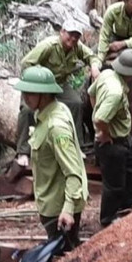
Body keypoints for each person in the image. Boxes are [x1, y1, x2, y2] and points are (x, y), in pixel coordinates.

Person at [12, 66, 89, 250]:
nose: (24, 96)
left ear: (45, 94)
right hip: (50, 200)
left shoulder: (56, 127)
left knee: (66, 255)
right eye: (24, 92)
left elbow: (73, 172)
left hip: (59, 207)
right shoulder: (48, 111)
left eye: (30, 93)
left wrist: (68, 209)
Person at [14, 20, 103, 168]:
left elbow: (92, 56)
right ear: (62, 32)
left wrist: (94, 66)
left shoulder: (77, 47)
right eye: (70, 34)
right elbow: (26, 63)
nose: (73, 39)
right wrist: (37, 79)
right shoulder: (49, 46)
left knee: (76, 104)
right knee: (27, 110)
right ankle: (23, 151)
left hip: (59, 84)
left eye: (76, 36)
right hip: (39, 84)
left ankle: (76, 146)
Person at [88, 48, 132, 227]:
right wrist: (105, 133)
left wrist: (97, 107)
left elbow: (91, 93)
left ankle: (125, 204)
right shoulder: (115, 92)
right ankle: (108, 218)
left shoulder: (106, 74)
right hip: (112, 142)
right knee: (114, 184)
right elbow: (100, 118)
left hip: (123, 137)